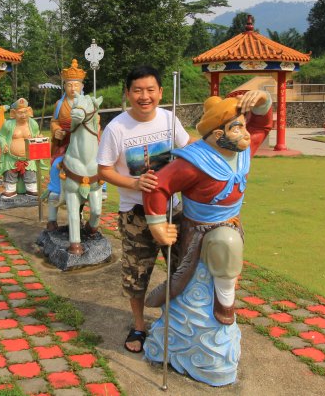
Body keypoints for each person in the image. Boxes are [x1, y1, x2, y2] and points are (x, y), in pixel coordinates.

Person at [141, 90, 272, 386]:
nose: (245, 132)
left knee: (228, 247)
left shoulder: (242, 150)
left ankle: (223, 304)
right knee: (224, 244)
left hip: (230, 225)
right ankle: (222, 304)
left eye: (242, 124)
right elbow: (158, 186)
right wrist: (157, 223)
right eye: (236, 126)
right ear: (216, 133)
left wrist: (262, 101)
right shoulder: (194, 162)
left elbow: (263, 126)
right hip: (198, 233)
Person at [96, 65, 190, 353]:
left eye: (150, 90)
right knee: (137, 274)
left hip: (173, 211)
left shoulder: (169, 119)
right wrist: (135, 183)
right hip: (135, 214)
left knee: (182, 267)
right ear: (127, 94)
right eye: (137, 90)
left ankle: (181, 322)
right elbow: (104, 171)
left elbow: (188, 153)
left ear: (161, 92)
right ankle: (138, 326)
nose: (144, 96)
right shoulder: (116, 128)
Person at [0, 98, 41, 197]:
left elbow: (36, 134)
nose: (23, 115)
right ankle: (10, 190)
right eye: (20, 113)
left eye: (25, 112)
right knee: (10, 174)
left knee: (30, 173)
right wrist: (3, 145)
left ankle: (31, 189)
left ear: (29, 111)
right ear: (13, 113)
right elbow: (1, 135)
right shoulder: (8, 124)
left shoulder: (33, 124)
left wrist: (39, 137)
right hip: (11, 157)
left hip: (29, 157)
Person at [50, 59, 87, 160]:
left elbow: (96, 120)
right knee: (57, 163)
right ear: (65, 86)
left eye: (76, 85)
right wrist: (57, 130)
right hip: (65, 140)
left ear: (82, 86)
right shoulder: (59, 104)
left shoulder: (88, 103)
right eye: (70, 85)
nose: (73, 89)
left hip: (83, 140)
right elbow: (54, 121)